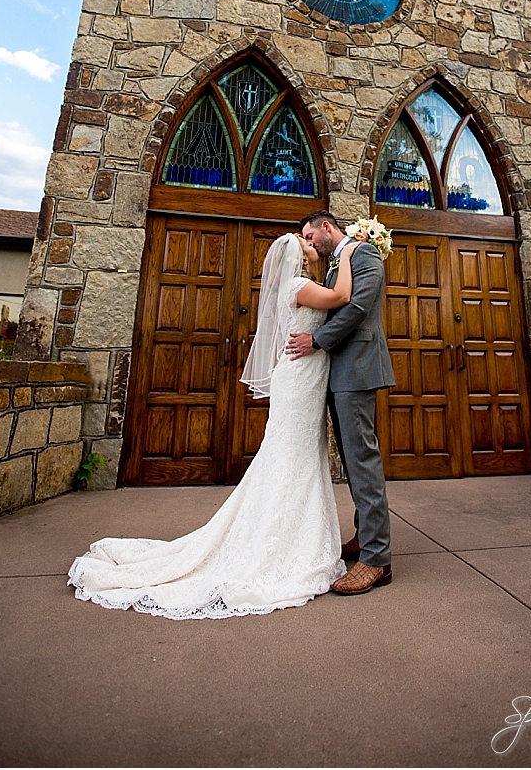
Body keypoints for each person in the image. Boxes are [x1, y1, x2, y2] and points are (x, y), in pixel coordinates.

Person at [68, 233, 356, 620]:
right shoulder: (299, 286)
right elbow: (339, 298)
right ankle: (282, 541)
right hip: (300, 381)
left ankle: (295, 532)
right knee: (290, 456)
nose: (310, 246)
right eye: (305, 244)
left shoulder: (300, 284)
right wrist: (352, 253)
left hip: (305, 378)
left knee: (295, 456)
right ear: (298, 258)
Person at [288, 210, 395, 596]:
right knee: (352, 459)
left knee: (362, 458)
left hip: (359, 368)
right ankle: (366, 536)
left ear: (327, 227)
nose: (310, 243)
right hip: (340, 372)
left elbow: (358, 308)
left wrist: (316, 341)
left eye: (310, 235)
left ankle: (376, 559)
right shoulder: (338, 266)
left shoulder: (364, 255)